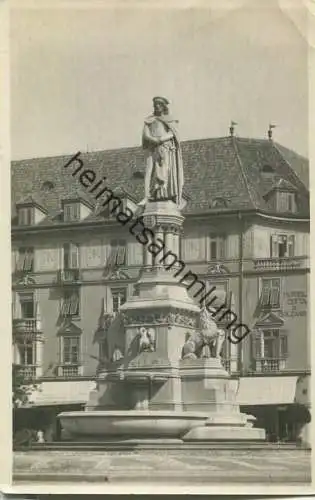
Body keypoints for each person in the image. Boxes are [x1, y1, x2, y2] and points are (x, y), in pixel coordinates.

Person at [140, 96, 185, 209]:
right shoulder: (149, 120)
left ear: (163, 106)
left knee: (164, 170)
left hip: (164, 147)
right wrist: (154, 140)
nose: (157, 106)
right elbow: (146, 134)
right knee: (149, 171)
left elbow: (173, 133)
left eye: (159, 104)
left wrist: (161, 139)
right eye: (155, 105)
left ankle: (163, 192)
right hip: (152, 148)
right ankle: (148, 195)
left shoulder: (170, 119)